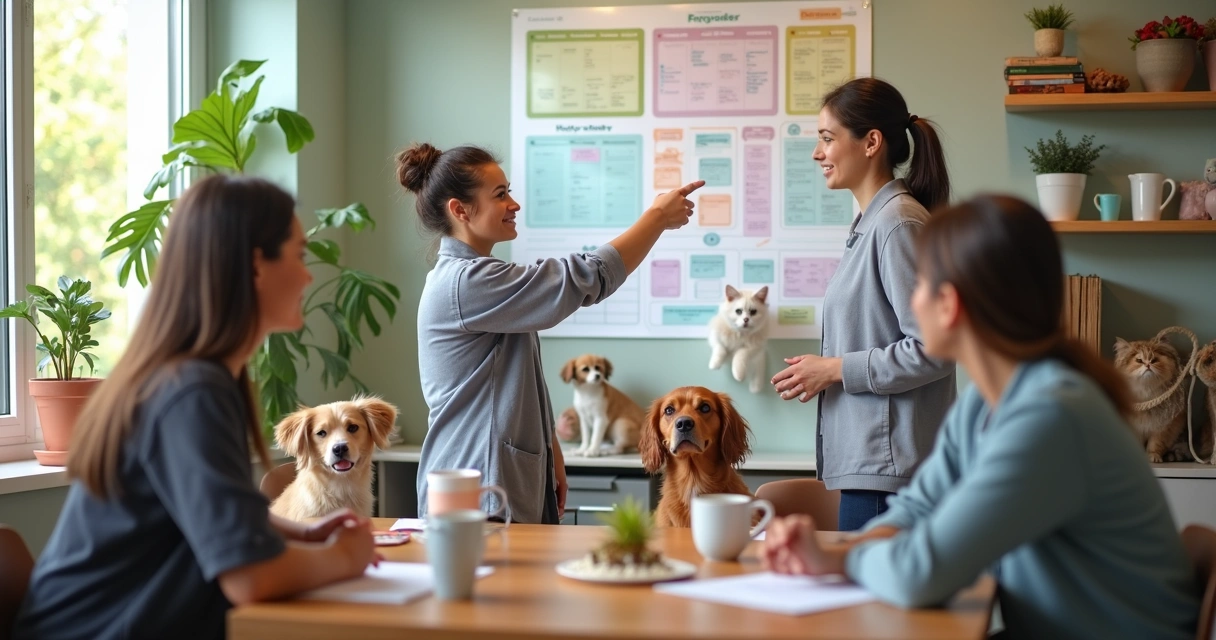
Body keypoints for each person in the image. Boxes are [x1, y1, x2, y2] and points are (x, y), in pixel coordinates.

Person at [763, 195, 1200, 640]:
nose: (911, 299)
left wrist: (837, 559)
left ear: (949, 304)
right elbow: (918, 507)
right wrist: (845, 548)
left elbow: (923, 573)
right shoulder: (983, 404)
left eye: (919, 284)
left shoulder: (1050, 416)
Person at [14, 176, 380, 639]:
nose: (308, 275)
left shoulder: (195, 379)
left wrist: (304, 534)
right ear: (254, 265)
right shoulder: (192, 391)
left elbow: (204, 509)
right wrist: (347, 557)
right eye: (298, 254)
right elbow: (250, 577)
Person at [397, 143, 702, 525]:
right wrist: (656, 218)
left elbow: (512, 383)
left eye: (509, 191)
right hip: (475, 482)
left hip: (492, 476)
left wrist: (549, 448)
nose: (514, 204)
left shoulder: (475, 278)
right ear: (460, 210)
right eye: (500, 195)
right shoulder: (467, 282)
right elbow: (584, 278)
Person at [770, 77, 956, 531]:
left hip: (889, 478)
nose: (818, 153)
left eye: (828, 138)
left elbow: (936, 348)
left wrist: (834, 369)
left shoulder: (897, 224)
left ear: (871, 142)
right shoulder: (872, 224)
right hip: (874, 471)